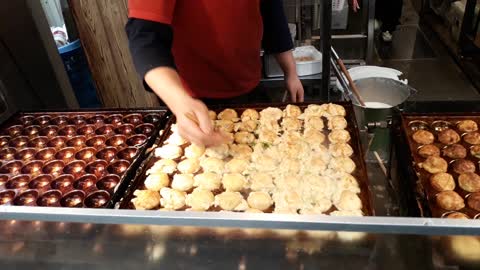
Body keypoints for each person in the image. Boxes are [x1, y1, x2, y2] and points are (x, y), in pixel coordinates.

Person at [126, 0, 304, 146]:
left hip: (249, 85)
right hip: (192, 100)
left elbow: (273, 15)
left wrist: (291, 72)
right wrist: (179, 102)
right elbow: (146, 36)